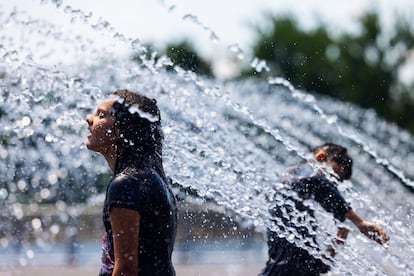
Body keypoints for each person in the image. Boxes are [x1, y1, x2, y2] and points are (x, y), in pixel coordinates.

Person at [260, 143, 390, 276]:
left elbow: (321, 267)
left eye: (338, 181)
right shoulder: (302, 174)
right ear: (320, 157)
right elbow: (318, 182)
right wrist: (359, 222)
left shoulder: (298, 200)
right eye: (334, 175)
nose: (334, 184)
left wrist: (335, 245)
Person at [86, 89, 177, 276]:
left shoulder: (126, 184)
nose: (89, 119)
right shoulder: (152, 178)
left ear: (122, 127)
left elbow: (126, 270)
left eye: (101, 115)